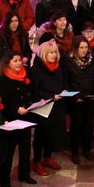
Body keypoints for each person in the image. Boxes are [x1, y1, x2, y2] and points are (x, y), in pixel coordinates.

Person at [0, 51, 37, 186]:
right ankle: (5, 181)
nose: (19, 63)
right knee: (9, 152)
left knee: (25, 149)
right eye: (15, 61)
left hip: (26, 116)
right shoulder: (2, 79)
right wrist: (15, 109)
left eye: (20, 60)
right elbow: (2, 101)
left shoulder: (26, 74)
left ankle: (24, 174)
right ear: (8, 63)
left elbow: (29, 93)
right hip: (11, 119)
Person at [30, 40, 68, 176]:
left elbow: (62, 83)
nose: (53, 55)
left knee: (52, 133)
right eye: (50, 53)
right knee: (41, 135)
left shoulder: (58, 67)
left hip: (57, 105)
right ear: (44, 54)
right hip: (43, 107)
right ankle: (37, 161)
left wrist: (63, 91)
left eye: (55, 52)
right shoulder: (36, 69)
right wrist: (52, 96)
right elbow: (34, 91)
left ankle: (47, 157)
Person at [64, 36, 94, 164]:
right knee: (76, 125)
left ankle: (87, 150)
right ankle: (74, 152)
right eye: (81, 48)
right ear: (75, 48)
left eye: (86, 47)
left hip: (89, 97)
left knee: (88, 124)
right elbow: (65, 82)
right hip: (75, 98)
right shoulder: (68, 60)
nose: (84, 50)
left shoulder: (93, 59)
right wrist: (74, 97)